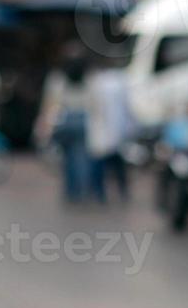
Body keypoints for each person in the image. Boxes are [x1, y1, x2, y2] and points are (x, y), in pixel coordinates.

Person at [34, 45, 95, 205]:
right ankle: (80, 191)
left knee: (68, 158)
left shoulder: (57, 79)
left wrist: (45, 124)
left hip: (64, 119)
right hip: (82, 120)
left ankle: (72, 191)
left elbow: (49, 103)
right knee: (80, 158)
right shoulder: (90, 79)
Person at [89, 65, 134, 203]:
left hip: (109, 132)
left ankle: (103, 192)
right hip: (108, 131)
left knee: (109, 163)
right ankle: (110, 192)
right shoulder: (113, 81)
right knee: (112, 163)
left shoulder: (99, 82)